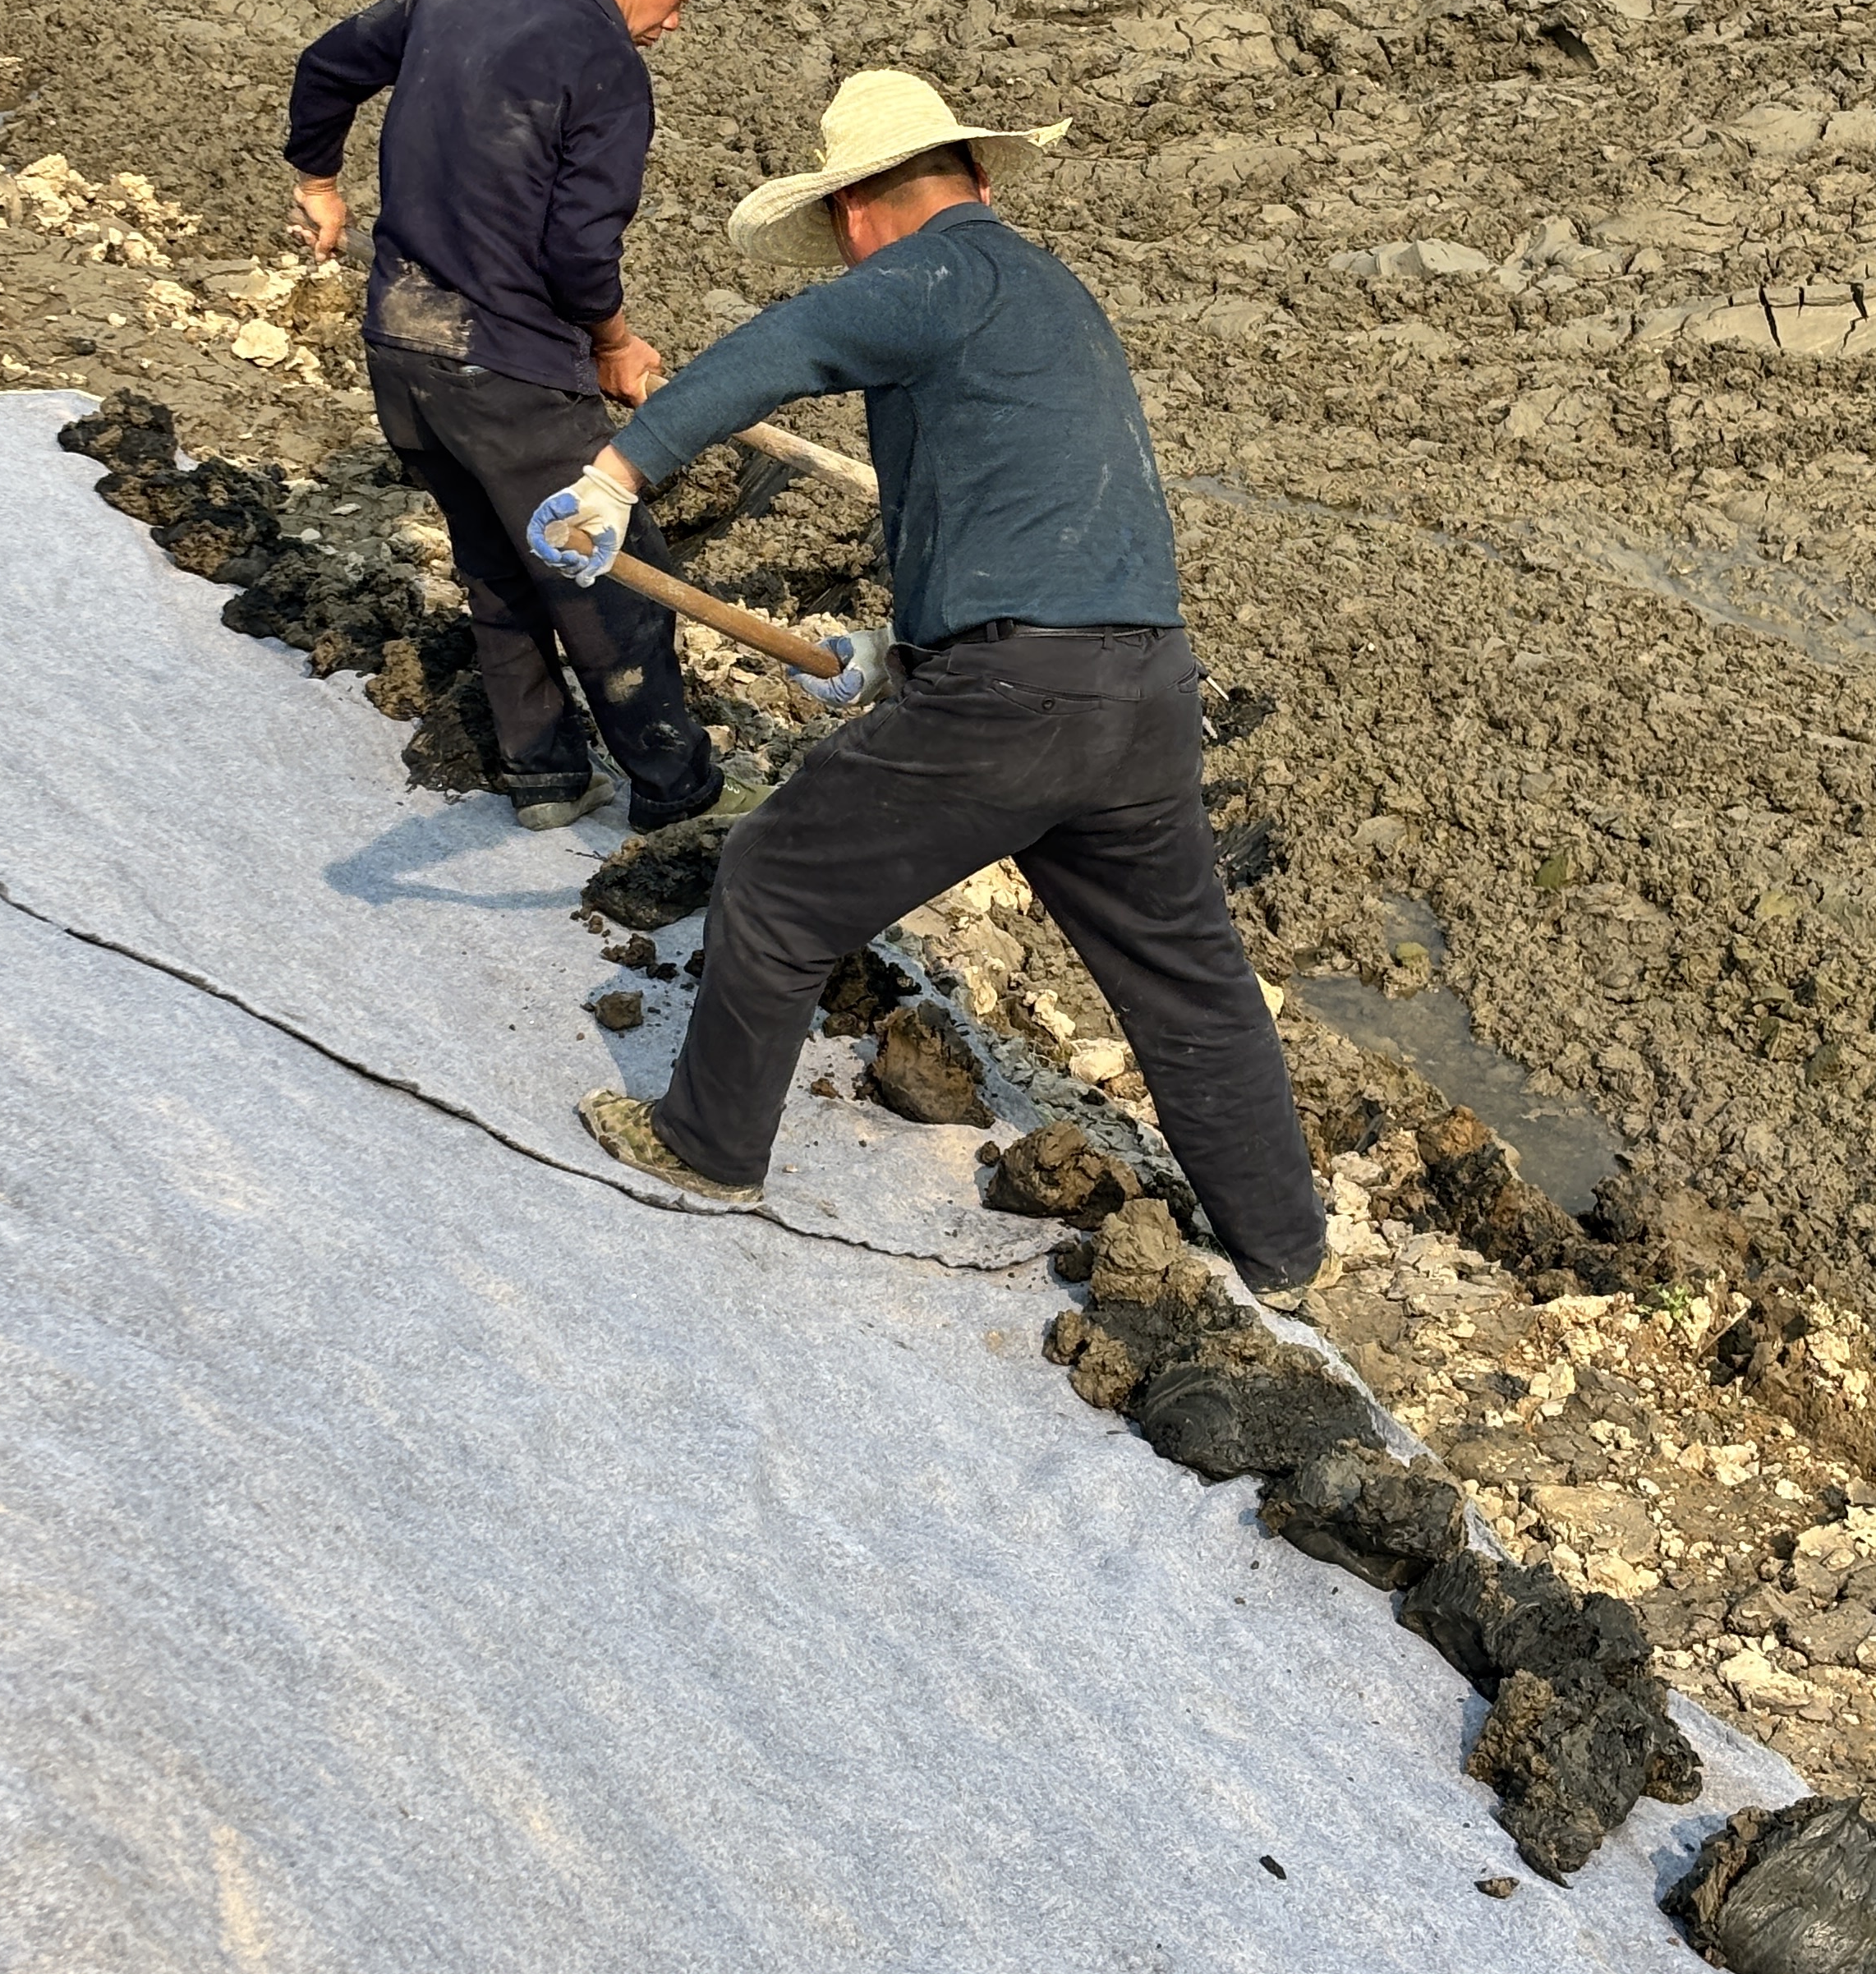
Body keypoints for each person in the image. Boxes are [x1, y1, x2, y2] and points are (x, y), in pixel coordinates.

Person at [525, 67, 1328, 1308]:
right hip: (1144, 688)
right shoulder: (1045, 290)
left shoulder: (932, 272)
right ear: (982, 175)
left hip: (1018, 700)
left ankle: (707, 1148)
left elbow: (781, 348)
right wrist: (900, 652)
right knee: (1189, 978)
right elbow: (1019, 512)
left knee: (777, 880)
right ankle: (1284, 1251)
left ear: (854, 211)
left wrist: (616, 477)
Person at [283, 0, 740, 835]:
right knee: (604, 568)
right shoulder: (605, 65)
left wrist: (319, 184)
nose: (674, 23)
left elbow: (325, 67)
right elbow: (579, 253)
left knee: (498, 561)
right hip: (509, 366)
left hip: (402, 349)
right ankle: (681, 795)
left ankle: (545, 778)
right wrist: (615, 341)